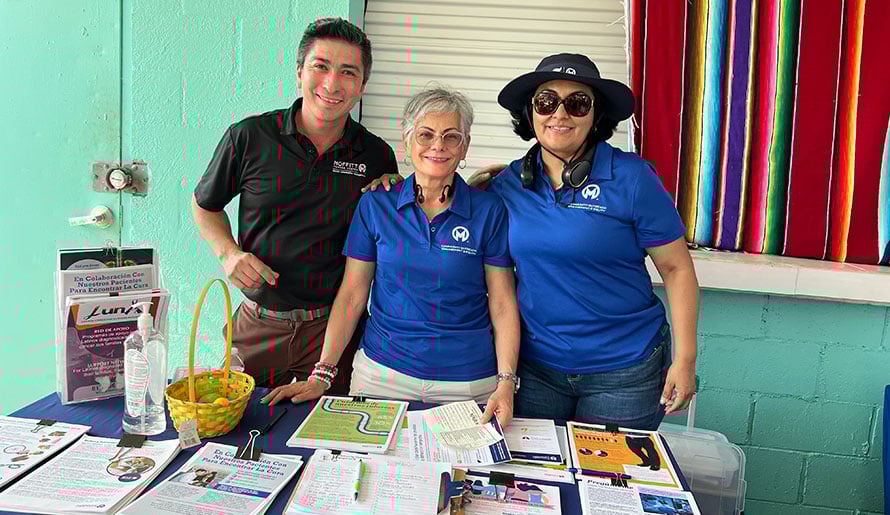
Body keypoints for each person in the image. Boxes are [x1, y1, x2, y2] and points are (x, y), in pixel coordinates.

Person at [262, 86, 521, 427]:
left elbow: (502, 304)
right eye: (425, 134)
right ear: (407, 141)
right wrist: (322, 374)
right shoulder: (376, 204)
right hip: (382, 376)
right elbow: (353, 294)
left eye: (451, 136)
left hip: (468, 382)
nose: (437, 146)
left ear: (465, 146)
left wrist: (506, 383)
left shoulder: (489, 210)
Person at [470, 54, 699, 430]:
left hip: (624, 372)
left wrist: (686, 359)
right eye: (546, 102)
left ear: (596, 117)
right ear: (530, 113)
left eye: (577, 103)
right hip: (536, 369)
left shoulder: (633, 178)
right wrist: (388, 181)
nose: (559, 114)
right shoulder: (507, 185)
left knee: (609, 485)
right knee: (534, 480)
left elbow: (676, 269)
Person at [193, 18, 400, 390]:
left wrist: (397, 189)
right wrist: (228, 253)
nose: (332, 83)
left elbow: (386, 236)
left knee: (330, 440)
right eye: (320, 66)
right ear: (299, 72)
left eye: (348, 72)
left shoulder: (376, 155)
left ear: (362, 86)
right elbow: (205, 204)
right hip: (256, 326)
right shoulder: (250, 137)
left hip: (334, 333)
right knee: (235, 432)